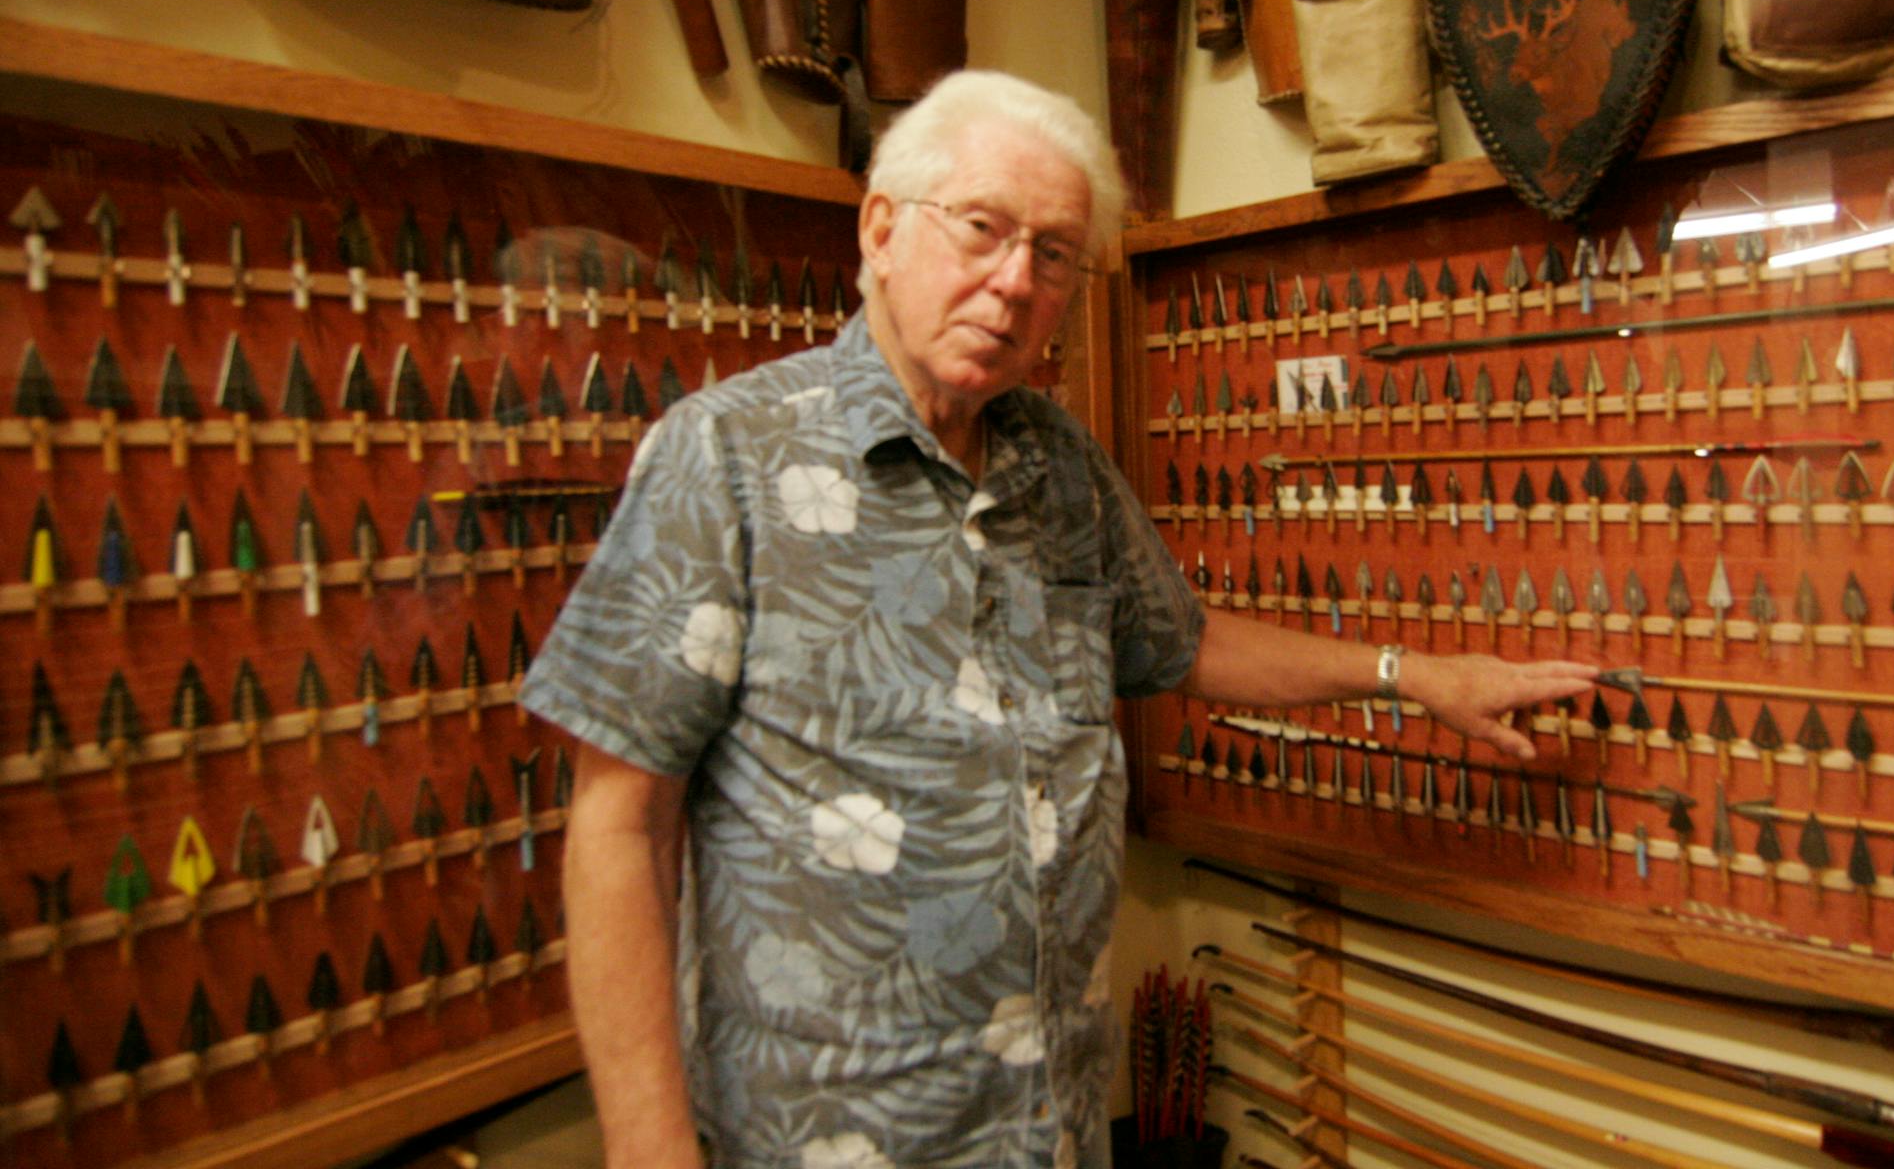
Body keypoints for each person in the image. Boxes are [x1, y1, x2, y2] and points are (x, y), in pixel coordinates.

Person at [521, 70, 1598, 1169]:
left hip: (1049, 1125)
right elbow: (620, 824)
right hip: (823, 1137)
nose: (1014, 282)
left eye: (1053, 256)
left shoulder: (1057, 461)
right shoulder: (726, 458)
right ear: (882, 233)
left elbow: (1184, 640)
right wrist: (646, 1148)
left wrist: (1417, 675)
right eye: (982, 229)